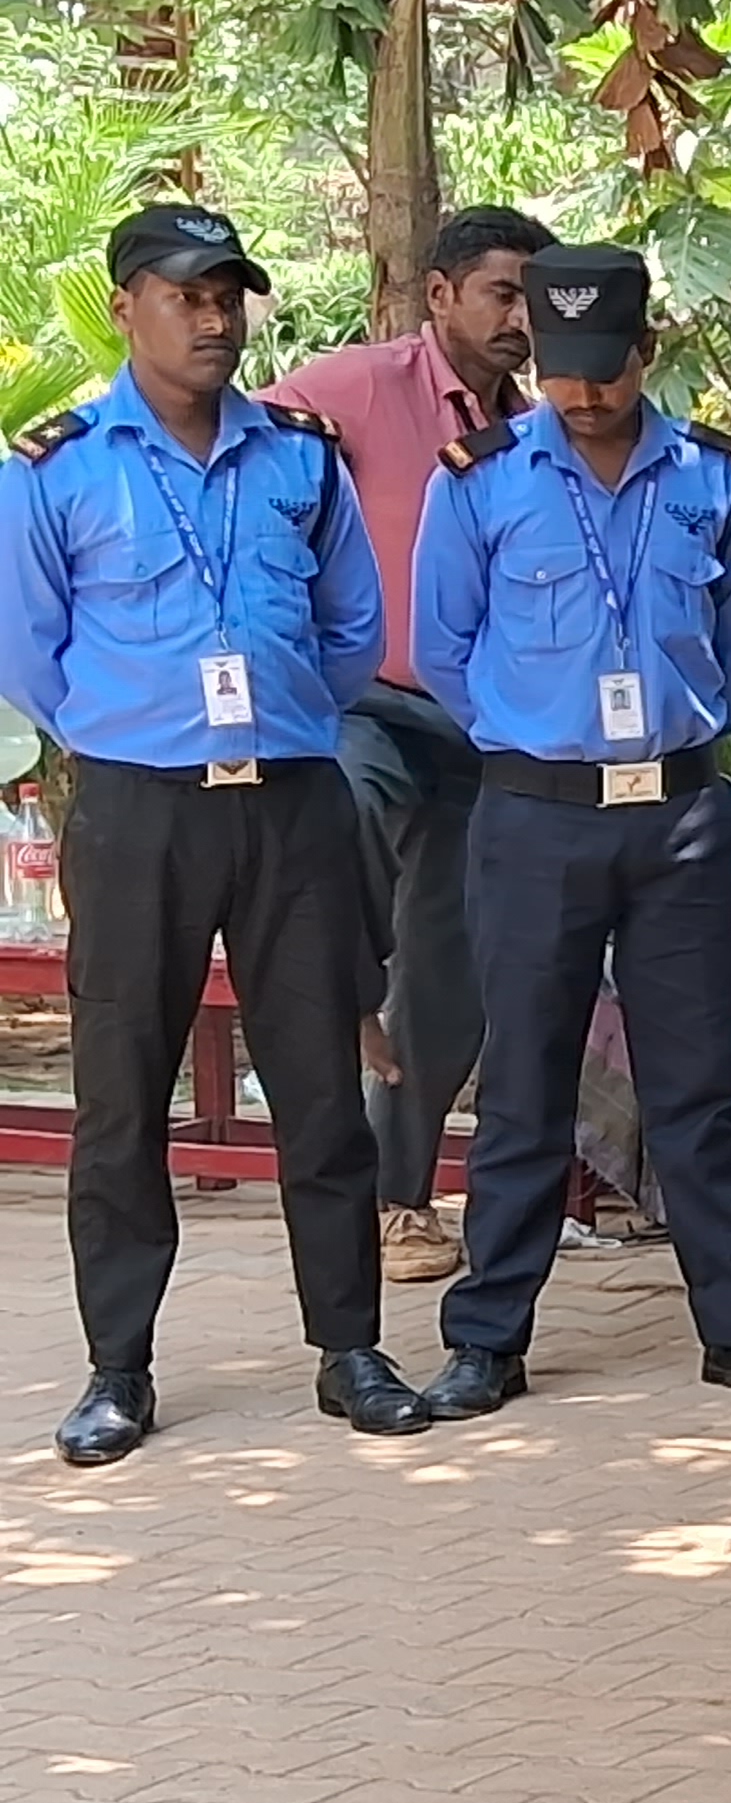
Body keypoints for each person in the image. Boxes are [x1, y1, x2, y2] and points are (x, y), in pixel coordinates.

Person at [1, 202, 422, 1465]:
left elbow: (351, 627)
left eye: (228, 296)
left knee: (320, 1089)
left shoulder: (298, 456)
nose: (214, 319)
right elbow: (30, 648)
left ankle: (350, 1350)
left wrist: (279, 721)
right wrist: (131, 732)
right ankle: (118, 1369)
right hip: (140, 807)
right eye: (187, 295)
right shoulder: (59, 466)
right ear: (127, 306)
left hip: (291, 798)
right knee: (123, 1094)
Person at [411, 246, 731, 1424]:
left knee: (696, 1086)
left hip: (679, 819)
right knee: (523, 1085)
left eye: (606, 368)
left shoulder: (712, 477)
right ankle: (487, 1340)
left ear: (645, 353)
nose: (584, 392)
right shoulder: (481, 482)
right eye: (563, 369)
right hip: (536, 817)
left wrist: (669, 743)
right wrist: (534, 739)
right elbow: (443, 648)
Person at [268, 202, 555, 1286]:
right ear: (440, 295)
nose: (521, 319)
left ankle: (402, 1200)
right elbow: (237, 467)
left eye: (534, 300)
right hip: (364, 702)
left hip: (480, 728)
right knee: (340, 802)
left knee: (452, 973)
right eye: (502, 294)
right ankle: (341, 993)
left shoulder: (539, 428)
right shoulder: (353, 387)